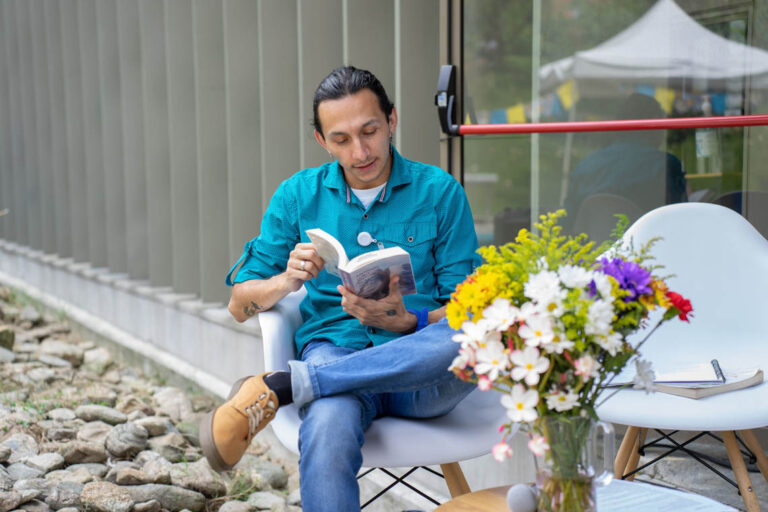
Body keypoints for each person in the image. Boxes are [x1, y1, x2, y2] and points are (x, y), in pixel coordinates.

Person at [200, 66, 481, 511]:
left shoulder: (440, 193)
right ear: (322, 141)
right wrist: (285, 280)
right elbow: (238, 305)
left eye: (370, 131)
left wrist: (408, 320)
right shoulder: (298, 196)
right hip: (336, 353)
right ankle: (312, 382)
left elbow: (471, 308)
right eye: (342, 140)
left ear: (392, 120)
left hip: (422, 371)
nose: (360, 152)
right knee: (328, 422)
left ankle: (287, 385)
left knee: (469, 337)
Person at [564, 93, 689, 234]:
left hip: (592, 246)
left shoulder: (585, 166)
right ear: (654, 124)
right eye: (662, 123)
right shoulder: (665, 165)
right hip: (647, 245)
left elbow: (568, 221)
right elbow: (681, 219)